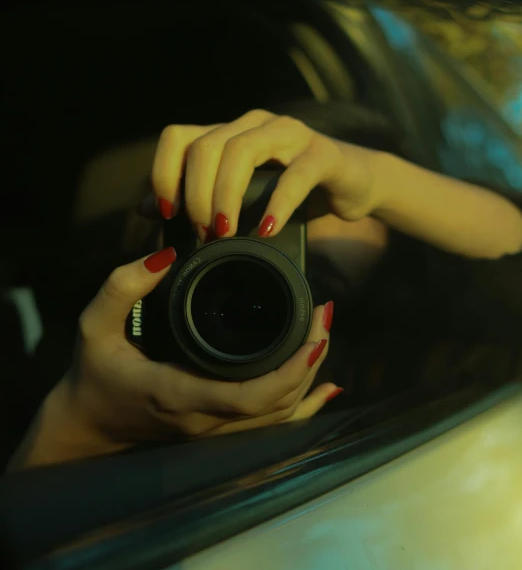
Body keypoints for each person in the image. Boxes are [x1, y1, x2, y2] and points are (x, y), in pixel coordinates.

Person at [7, 107, 522, 472]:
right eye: (227, 244)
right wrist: (85, 423)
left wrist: (379, 181)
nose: (246, 282)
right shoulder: (22, 340)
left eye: (307, 278)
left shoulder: (366, 388)